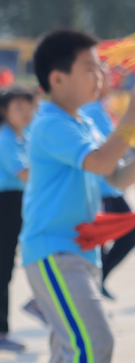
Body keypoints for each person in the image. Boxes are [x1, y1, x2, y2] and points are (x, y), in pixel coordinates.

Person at [21, 29, 135, 363]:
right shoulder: (51, 123)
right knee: (94, 343)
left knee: (67, 348)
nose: (101, 75)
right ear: (57, 78)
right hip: (53, 251)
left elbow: (118, 177)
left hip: (76, 252)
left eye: (101, 67)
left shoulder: (82, 121)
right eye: (90, 67)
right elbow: (105, 163)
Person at [0, 88, 36, 352]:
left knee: (37, 255)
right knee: (5, 268)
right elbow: (24, 173)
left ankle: (39, 302)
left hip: (21, 201)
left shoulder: (22, 136)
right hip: (8, 203)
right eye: (19, 108)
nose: (26, 113)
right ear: (3, 111)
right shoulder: (4, 138)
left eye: (29, 107)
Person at [80, 77, 135, 299]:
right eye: (94, 72)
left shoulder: (98, 110)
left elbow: (115, 172)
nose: (108, 80)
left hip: (108, 186)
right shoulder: (86, 112)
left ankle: (97, 282)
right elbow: (106, 158)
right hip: (99, 189)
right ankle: (96, 281)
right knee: (100, 242)